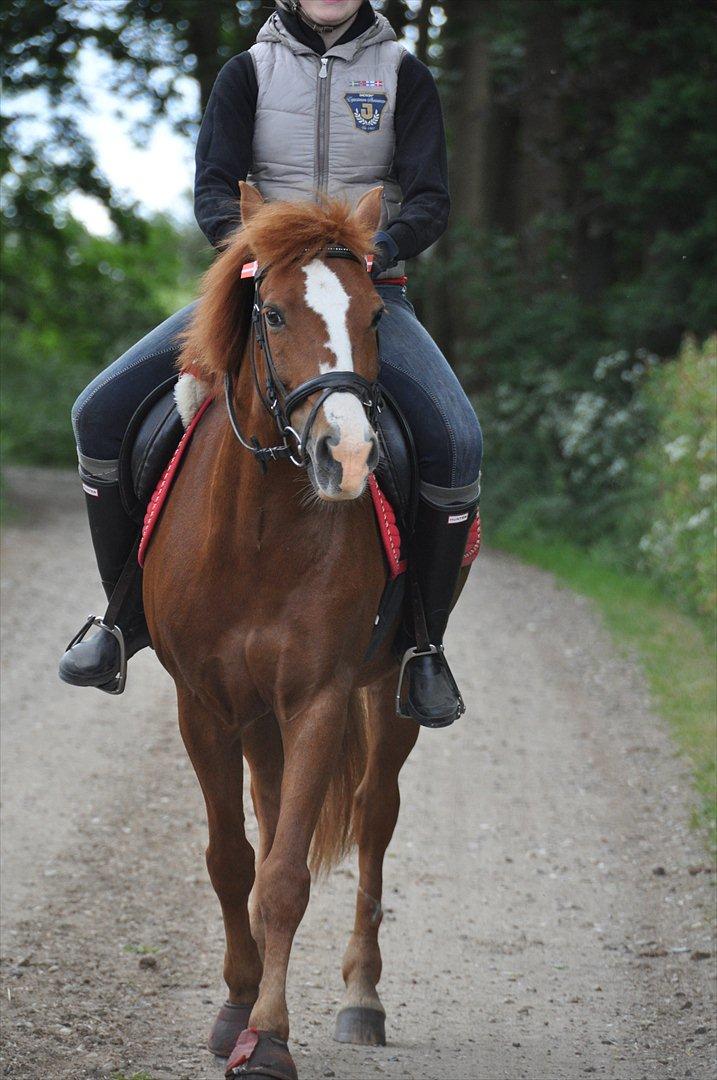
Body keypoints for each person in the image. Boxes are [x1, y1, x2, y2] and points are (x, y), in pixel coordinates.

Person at [59, 0, 483, 728]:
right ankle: (124, 615)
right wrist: (256, 251)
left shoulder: (403, 74)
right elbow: (212, 190)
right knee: (97, 412)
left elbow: (429, 198)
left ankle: (423, 647)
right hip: (261, 287)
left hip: (362, 290)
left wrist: (367, 251)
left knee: (455, 440)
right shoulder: (245, 72)